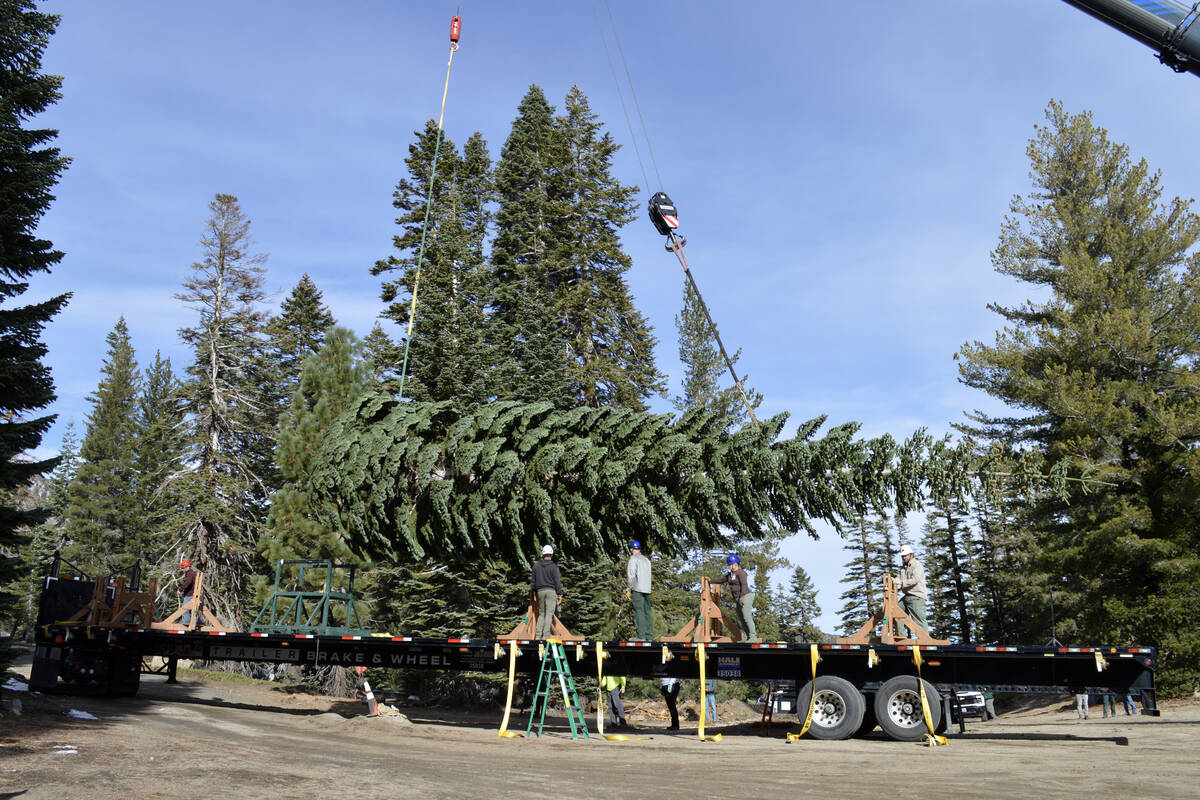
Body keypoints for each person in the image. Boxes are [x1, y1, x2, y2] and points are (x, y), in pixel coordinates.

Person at [711, 554, 756, 642]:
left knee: (747, 617)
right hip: (737, 598)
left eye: (734, 564)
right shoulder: (730, 575)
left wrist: (742, 597)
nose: (732, 566)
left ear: (737, 564)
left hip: (745, 596)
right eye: (730, 565)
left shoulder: (741, 573)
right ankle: (746, 637)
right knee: (741, 618)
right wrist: (710, 581)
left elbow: (744, 585)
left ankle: (753, 637)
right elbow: (721, 580)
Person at [531, 545, 563, 640]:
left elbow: (533, 582)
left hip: (540, 592)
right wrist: (559, 593)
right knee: (549, 614)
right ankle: (545, 636)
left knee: (541, 614)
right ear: (551, 555)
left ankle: (538, 636)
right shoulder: (554, 567)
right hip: (551, 592)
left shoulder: (536, 566)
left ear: (543, 554)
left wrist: (534, 592)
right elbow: (557, 581)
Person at [896, 545, 928, 637]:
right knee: (897, 612)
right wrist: (892, 581)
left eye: (905, 555)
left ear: (911, 555)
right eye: (902, 556)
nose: (904, 557)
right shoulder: (903, 568)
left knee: (919, 620)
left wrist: (902, 582)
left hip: (916, 596)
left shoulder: (917, 565)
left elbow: (915, 579)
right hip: (907, 596)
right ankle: (901, 638)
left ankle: (925, 640)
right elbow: (898, 578)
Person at [627, 540, 652, 640]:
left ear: (631, 549)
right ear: (639, 549)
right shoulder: (646, 560)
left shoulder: (633, 559)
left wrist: (629, 588)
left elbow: (632, 576)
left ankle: (641, 636)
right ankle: (648, 636)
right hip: (647, 589)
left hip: (637, 589)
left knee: (639, 611)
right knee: (647, 612)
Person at [179, 559, 197, 625]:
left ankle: (187, 623)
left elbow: (188, 582)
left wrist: (180, 589)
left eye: (183, 568)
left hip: (190, 595)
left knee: (185, 610)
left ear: (186, 567)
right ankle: (198, 622)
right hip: (193, 594)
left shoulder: (189, 573)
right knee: (193, 611)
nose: (182, 570)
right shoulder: (192, 573)